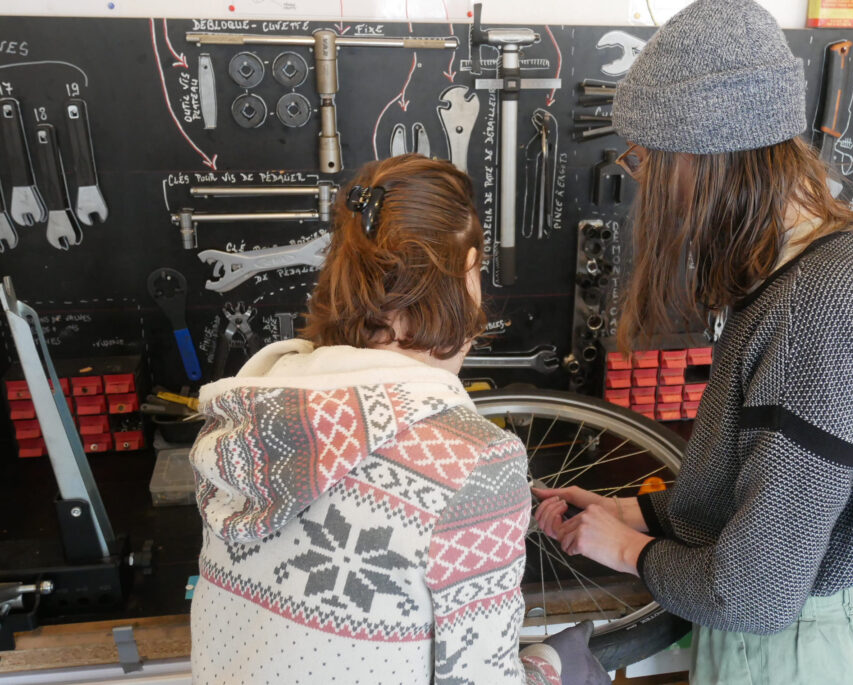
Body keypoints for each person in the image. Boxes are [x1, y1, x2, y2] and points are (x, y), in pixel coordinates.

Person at [535, 1, 853, 683]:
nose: (643, 181)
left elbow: (752, 593)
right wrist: (635, 511)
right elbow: (775, 491)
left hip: (803, 655)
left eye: (648, 159)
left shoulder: (816, 312)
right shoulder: (827, 258)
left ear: (703, 159)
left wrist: (632, 550)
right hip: (816, 634)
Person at [189, 154, 608, 685]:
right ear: (468, 273)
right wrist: (554, 666)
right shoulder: (477, 463)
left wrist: (481, 516)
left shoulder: (248, 412)